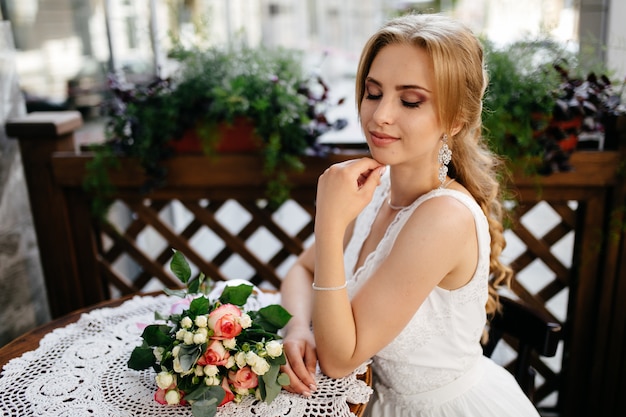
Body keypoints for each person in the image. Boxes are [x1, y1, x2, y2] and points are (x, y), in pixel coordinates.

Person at [279, 12, 542, 416]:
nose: (380, 115)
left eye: (410, 100)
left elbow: (340, 358)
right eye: (372, 92)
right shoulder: (379, 189)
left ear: (455, 119)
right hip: (363, 400)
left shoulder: (443, 218)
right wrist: (297, 327)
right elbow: (301, 270)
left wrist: (329, 223)